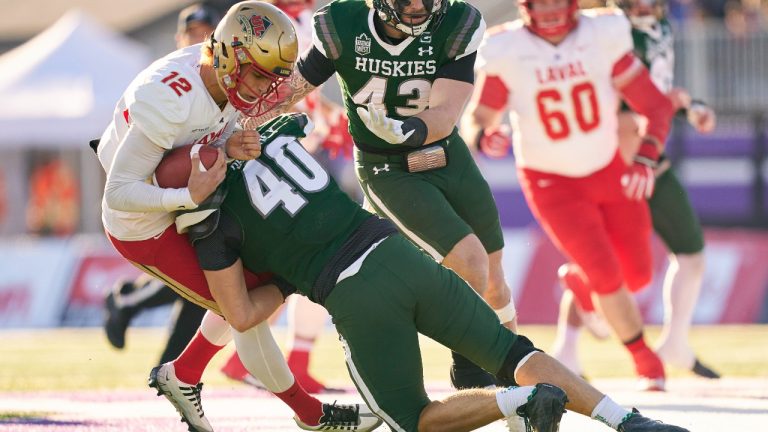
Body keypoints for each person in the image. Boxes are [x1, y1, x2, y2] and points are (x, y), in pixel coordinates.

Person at [175, 110, 690, 432]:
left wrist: (284, 276)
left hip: (353, 292)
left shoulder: (213, 221)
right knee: (515, 351)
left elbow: (241, 316)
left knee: (412, 419)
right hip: (397, 251)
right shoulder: (276, 136)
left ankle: (520, 401)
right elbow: (295, 122)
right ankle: (628, 421)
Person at [95, 2, 378, 431]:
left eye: (271, 77)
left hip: (192, 192)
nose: (264, 88)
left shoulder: (224, 79)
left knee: (259, 286)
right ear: (229, 55)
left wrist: (228, 148)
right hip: (145, 222)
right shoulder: (169, 97)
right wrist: (184, 194)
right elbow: (117, 194)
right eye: (259, 75)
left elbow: (207, 139)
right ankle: (310, 414)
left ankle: (185, 373)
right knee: (242, 307)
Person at [237, 0, 520, 391]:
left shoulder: (457, 22)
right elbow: (289, 91)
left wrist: (412, 131)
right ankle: (471, 369)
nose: (419, 6)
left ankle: (516, 369)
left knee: (494, 280)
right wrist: (236, 123)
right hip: (387, 167)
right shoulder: (343, 25)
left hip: (446, 154)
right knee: (469, 262)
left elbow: (446, 112)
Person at [462, 0, 678, 391]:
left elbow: (655, 105)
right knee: (608, 274)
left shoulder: (602, 33)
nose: (548, 9)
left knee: (639, 273)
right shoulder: (506, 47)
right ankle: (644, 358)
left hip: (609, 167)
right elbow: (479, 115)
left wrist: (646, 156)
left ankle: (583, 284)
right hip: (551, 182)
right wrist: (482, 134)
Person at [611, 0, 720, 379]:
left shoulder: (662, 28)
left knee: (692, 254)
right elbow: (618, 103)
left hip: (651, 157)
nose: (645, 5)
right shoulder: (611, 33)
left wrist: (689, 106)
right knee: (604, 265)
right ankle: (568, 346)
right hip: (621, 158)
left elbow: (659, 91)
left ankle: (676, 341)